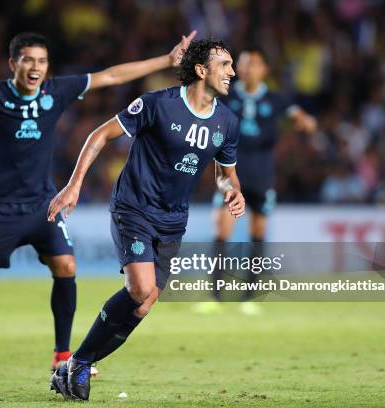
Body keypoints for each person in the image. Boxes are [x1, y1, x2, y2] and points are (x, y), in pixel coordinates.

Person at [0, 30, 196, 380]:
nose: (36, 67)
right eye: (28, 60)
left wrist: (166, 61)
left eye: (42, 61)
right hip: (0, 208)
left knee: (66, 266)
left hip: (43, 205)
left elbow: (110, 75)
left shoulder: (56, 91)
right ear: (13, 63)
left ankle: (62, 355)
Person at [47, 38, 245, 401]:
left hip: (173, 219)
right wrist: (74, 186)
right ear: (202, 70)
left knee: (145, 301)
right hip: (134, 207)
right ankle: (80, 363)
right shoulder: (158, 105)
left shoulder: (227, 121)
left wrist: (232, 188)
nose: (233, 72)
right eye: (225, 64)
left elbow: (223, 171)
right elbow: (100, 134)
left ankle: (75, 362)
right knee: (139, 287)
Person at [196, 46, 317, 316]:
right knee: (221, 232)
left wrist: (307, 124)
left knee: (258, 234)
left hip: (262, 175)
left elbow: (302, 119)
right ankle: (214, 295)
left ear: (264, 70)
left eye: (254, 64)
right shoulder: (224, 95)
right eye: (245, 64)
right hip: (229, 175)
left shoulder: (276, 100)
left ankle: (249, 296)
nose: (249, 69)